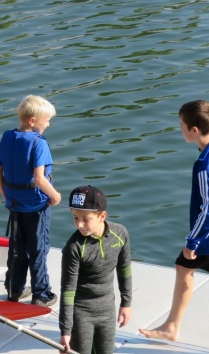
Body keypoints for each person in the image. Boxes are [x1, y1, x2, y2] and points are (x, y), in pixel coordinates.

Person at [140, 100, 209, 341]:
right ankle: (171, 327)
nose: (179, 129)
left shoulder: (204, 165)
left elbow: (207, 208)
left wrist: (192, 241)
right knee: (183, 266)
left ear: (194, 130)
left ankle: (171, 327)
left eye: (181, 126)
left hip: (205, 237)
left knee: (185, 263)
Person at [0, 95, 61, 307]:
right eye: (46, 120)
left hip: (14, 204)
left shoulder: (7, 137)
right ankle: (41, 294)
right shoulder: (39, 143)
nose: (48, 124)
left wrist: (5, 196)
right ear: (32, 121)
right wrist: (55, 196)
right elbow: (39, 178)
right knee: (38, 248)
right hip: (36, 206)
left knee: (17, 247)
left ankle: (14, 289)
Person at [59, 185, 132, 354]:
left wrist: (126, 303)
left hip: (108, 311)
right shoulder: (74, 247)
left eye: (86, 219)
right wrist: (66, 331)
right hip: (81, 314)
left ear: (102, 216)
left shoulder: (120, 234)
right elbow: (68, 291)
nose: (80, 224)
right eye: (75, 218)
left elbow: (124, 269)